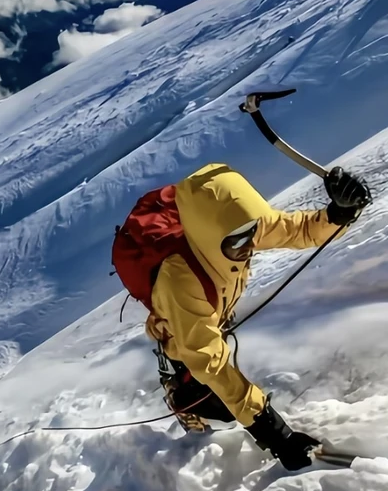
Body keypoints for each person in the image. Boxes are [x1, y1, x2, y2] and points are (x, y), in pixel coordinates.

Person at [144, 162, 369, 470]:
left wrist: (338, 214)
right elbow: (211, 364)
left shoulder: (238, 229)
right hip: (185, 342)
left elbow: (298, 231)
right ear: (209, 235)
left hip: (211, 321)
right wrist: (276, 435)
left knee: (228, 397)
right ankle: (180, 397)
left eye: (252, 233)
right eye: (237, 241)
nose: (249, 246)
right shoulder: (180, 280)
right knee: (218, 408)